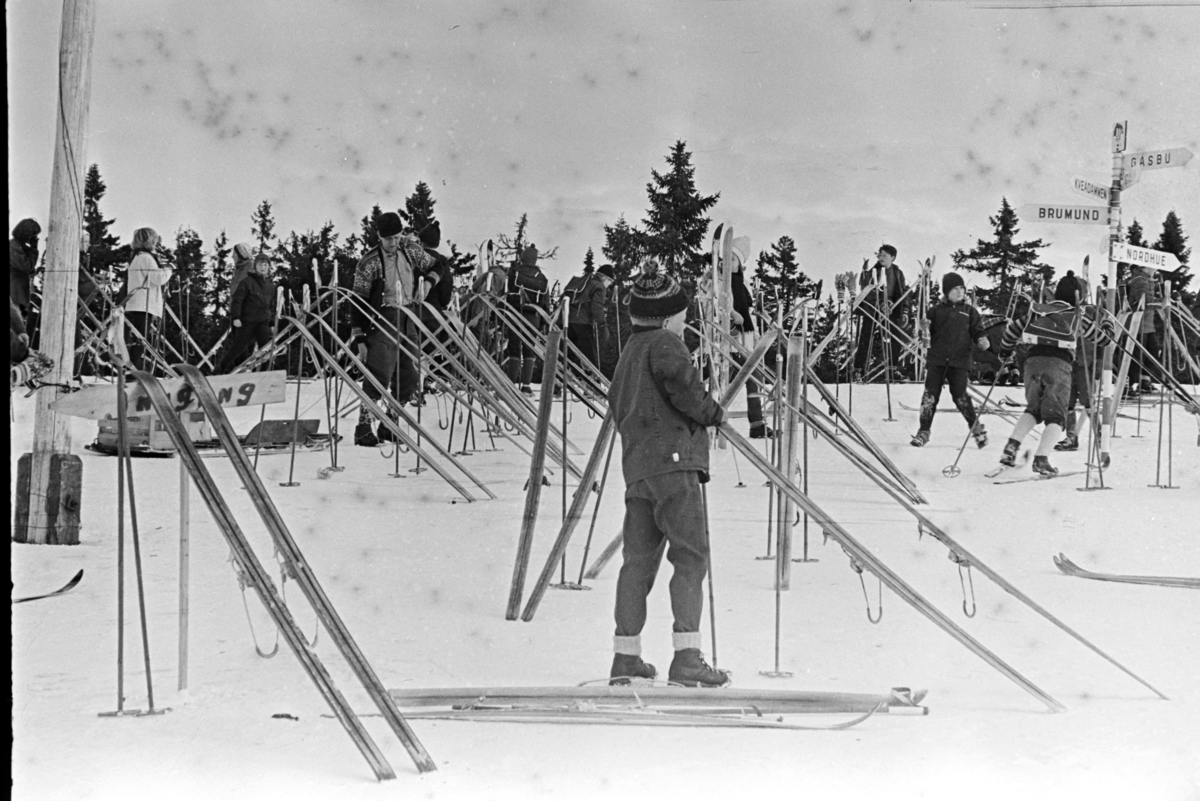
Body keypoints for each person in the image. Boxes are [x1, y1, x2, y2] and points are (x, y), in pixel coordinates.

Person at [607, 259, 729, 688]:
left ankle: (626, 658)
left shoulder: (628, 354)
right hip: (675, 466)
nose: (684, 322)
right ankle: (687, 657)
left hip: (639, 471)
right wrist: (713, 412)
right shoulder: (664, 344)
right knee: (691, 557)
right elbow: (686, 391)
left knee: (636, 562)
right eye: (681, 315)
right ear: (664, 317)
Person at [996, 276, 1113, 475]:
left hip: (1032, 363)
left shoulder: (1037, 310)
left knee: (1033, 409)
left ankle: (1011, 447)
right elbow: (1103, 340)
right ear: (1079, 297)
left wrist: (1005, 352)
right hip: (1058, 366)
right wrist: (1108, 323)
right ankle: (1041, 459)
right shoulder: (1077, 316)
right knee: (1056, 417)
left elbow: (1011, 331)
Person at [350, 211, 432, 446]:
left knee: (409, 377)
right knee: (379, 374)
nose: (393, 243)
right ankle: (364, 427)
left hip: (409, 317)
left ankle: (389, 423)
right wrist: (360, 339)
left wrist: (428, 280)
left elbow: (438, 264)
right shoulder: (369, 262)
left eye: (397, 237)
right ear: (378, 236)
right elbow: (358, 301)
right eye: (389, 239)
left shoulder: (409, 250)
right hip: (384, 319)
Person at [911, 272, 990, 448]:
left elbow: (978, 330)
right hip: (937, 361)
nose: (960, 292)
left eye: (962, 288)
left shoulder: (970, 312)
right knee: (929, 396)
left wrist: (981, 339)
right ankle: (923, 431)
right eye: (955, 288)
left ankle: (976, 429)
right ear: (946, 292)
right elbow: (925, 337)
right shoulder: (935, 311)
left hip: (960, 362)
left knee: (960, 396)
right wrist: (923, 329)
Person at [728, 237, 773, 439]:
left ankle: (757, 424)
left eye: (733, 260)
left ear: (740, 264)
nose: (729, 264)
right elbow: (716, 304)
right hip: (727, 342)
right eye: (726, 259)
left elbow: (748, 311)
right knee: (717, 380)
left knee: (753, 379)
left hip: (744, 341)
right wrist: (730, 313)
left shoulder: (742, 284)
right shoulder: (719, 282)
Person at [853, 244, 908, 379]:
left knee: (895, 337)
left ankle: (892, 369)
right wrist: (881, 303)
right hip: (873, 308)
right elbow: (868, 291)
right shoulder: (873, 271)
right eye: (880, 254)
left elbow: (903, 293)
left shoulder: (898, 273)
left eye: (885, 255)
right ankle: (858, 369)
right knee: (866, 336)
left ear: (892, 258)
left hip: (892, 309)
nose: (881, 257)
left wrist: (905, 310)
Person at [122, 227, 173, 372]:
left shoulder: (137, 257)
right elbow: (158, 278)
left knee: (138, 339)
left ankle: (132, 368)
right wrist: (169, 269)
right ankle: (134, 370)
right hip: (143, 305)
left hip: (136, 304)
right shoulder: (146, 258)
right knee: (141, 340)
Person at [1053, 271, 1093, 453]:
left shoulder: (1090, 312)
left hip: (1086, 363)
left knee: (1087, 399)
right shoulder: (1066, 313)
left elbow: (1100, 339)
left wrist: (1098, 363)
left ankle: (1100, 433)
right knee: (1067, 400)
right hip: (1069, 363)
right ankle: (1071, 437)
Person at [219, 253, 277, 373]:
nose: (263, 267)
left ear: (269, 267)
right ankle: (219, 370)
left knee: (265, 349)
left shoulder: (270, 286)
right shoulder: (247, 282)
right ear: (255, 266)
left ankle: (264, 373)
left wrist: (271, 322)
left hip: (262, 322)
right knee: (238, 348)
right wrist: (236, 317)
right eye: (260, 265)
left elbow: (271, 305)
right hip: (247, 321)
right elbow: (237, 300)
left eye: (265, 265)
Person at [504, 244, 550, 395]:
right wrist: (543, 323)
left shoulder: (513, 273)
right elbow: (545, 303)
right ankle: (526, 386)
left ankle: (510, 384)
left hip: (515, 314)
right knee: (530, 349)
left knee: (514, 348)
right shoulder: (542, 279)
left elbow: (506, 293)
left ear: (523, 258)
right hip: (534, 317)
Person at [564, 263, 615, 374]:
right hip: (583, 323)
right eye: (610, 281)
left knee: (568, 354)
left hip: (568, 321)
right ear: (605, 278)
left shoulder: (585, 281)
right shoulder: (599, 286)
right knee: (589, 356)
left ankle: (559, 385)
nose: (609, 285)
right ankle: (592, 386)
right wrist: (603, 326)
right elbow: (597, 308)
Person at [1123, 262, 1161, 395]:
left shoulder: (1146, 280)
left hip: (1146, 324)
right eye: (1153, 266)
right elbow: (1145, 302)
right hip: (1137, 325)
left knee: (1153, 352)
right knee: (1135, 356)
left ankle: (1143, 381)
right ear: (1144, 267)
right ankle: (1126, 385)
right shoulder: (1140, 281)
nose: (1155, 269)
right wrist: (1164, 301)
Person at [9, 218, 41, 324]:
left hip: (18, 294)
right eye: (33, 235)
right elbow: (26, 266)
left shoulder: (20, 247)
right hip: (14, 294)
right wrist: (34, 249)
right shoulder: (13, 247)